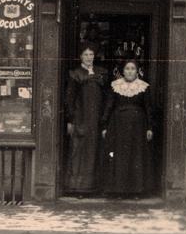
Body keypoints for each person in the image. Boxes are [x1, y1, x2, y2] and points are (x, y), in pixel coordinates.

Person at [100, 59, 155, 197]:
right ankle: (118, 190)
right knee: (119, 156)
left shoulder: (143, 87)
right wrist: (105, 125)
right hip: (118, 126)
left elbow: (148, 108)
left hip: (138, 128)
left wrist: (149, 127)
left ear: (137, 72)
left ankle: (136, 190)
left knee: (135, 156)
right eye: (127, 69)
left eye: (132, 69)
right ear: (122, 71)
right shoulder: (115, 86)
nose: (130, 71)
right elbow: (109, 106)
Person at [64, 43, 108, 194]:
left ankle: (95, 187)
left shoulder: (101, 73)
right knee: (80, 152)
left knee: (95, 150)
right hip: (81, 118)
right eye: (86, 54)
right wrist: (70, 120)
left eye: (91, 54)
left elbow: (106, 97)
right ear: (81, 57)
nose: (89, 57)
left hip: (96, 120)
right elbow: (70, 98)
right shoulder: (75, 74)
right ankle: (79, 188)